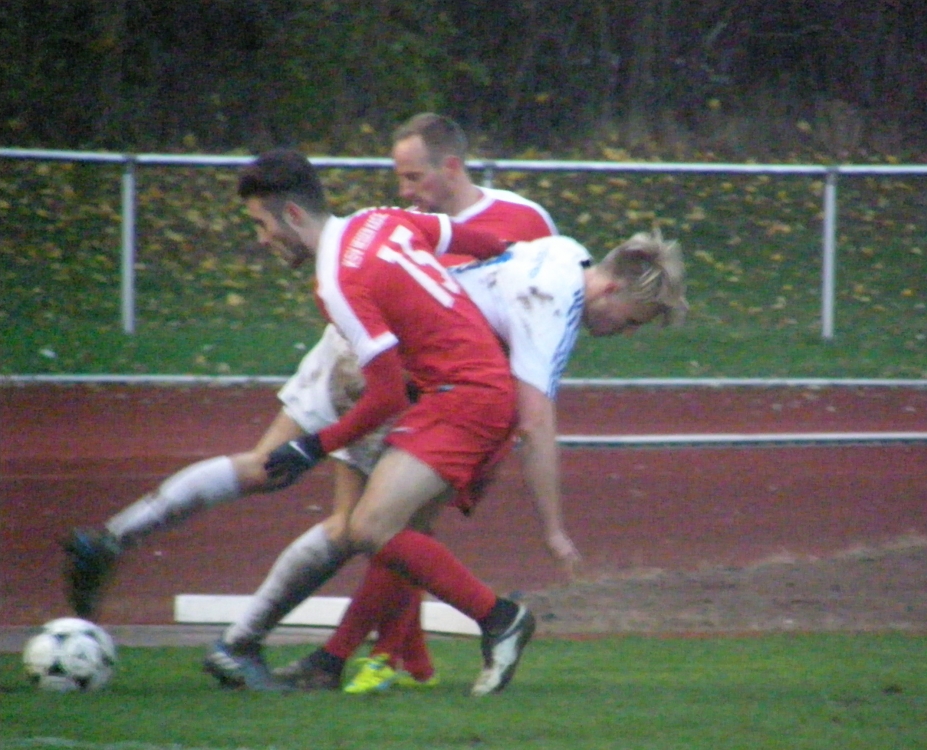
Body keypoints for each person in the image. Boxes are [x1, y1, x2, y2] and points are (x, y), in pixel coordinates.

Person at [63, 114, 566, 689]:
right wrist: (513, 267)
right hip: (427, 382)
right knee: (358, 525)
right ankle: (251, 644)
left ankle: (123, 542)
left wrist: (314, 446)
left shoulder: (340, 279)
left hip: (422, 382)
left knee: (328, 504)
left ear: (295, 215)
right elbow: (476, 243)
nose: (262, 240)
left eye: (261, 225)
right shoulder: (381, 220)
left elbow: (383, 388)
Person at [264, 227, 687, 694]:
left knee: (389, 530)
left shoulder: (566, 251)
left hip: (443, 382)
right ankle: (476, 625)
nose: (627, 332)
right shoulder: (552, 303)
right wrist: (553, 530)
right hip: (454, 390)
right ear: (611, 288)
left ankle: (363, 654)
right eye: (632, 319)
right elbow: (536, 425)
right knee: (388, 530)